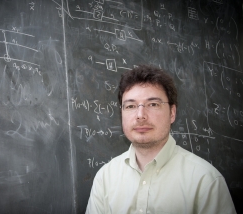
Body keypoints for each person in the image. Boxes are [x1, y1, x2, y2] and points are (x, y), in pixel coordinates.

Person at [85, 65, 236, 214]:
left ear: (172, 113)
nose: (140, 115)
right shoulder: (105, 178)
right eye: (130, 106)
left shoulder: (205, 180)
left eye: (153, 104)